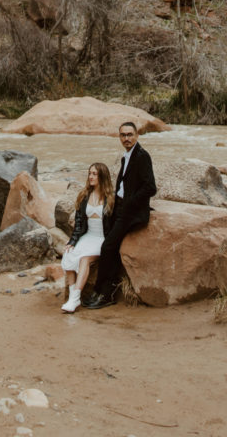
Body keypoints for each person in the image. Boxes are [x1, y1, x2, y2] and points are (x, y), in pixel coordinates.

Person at [82, 121, 156, 310]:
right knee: (110, 245)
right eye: (123, 135)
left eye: (130, 135)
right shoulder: (127, 157)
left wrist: (130, 202)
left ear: (137, 135)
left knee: (107, 247)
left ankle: (104, 294)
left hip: (131, 212)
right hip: (121, 207)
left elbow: (150, 187)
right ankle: (105, 292)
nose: (126, 138)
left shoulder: (142, 156)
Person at [60, 162, 114, 313]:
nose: (90, 177)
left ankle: (75, 297)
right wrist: (72, 241)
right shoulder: (84, 196)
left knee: (84, 259)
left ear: (102, 176)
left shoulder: (111, 198)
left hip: (102, 239)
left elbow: (116, 223)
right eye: (90, 173)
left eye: (94, 174)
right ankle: (73, 297)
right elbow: (78, 223)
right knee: (69, 253)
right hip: (88, 236)